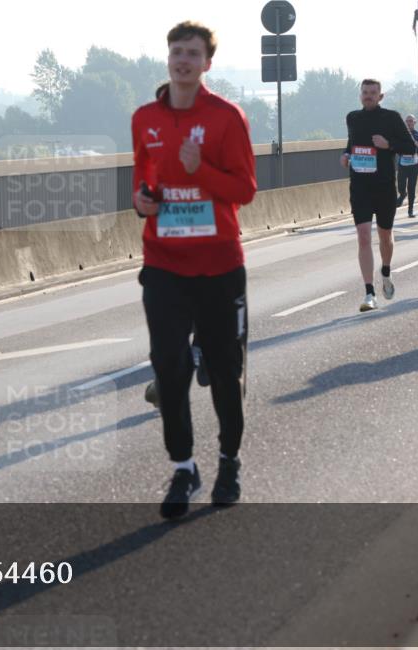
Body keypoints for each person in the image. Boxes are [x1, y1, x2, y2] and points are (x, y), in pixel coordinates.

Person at [132, 20, 255, 518]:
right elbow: (142, 182)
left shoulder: (226, 117)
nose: (183, 60)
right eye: (176, 52)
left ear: (207, 63)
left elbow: (244, 190)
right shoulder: (145, 118)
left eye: (193, 53)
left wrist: (197, 169)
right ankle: (183, 467)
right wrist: (142, 201)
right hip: (164, 263)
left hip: (220, 265)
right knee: (170, 365)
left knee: (225, 372)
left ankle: (229, 460)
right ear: (168, 59)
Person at [340, 79, 416, 312]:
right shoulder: (353, 117)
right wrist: (345, 155)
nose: (368, 96)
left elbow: (411, 147)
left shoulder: (391, 117)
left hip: (384, 186)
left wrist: (388, 144)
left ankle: (385, 270)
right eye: (365, 93)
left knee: (385, 236)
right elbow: (352, 143)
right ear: (360, 95)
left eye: (373, 93)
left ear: (380, 96)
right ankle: (369, 293)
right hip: (360, 186)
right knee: (363, 237)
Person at [395, 114, 418, 218]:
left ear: (415, 122)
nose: (409, 123)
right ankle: (402, 194)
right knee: (401, 184)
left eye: (411, 121)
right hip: (403, 163)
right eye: (407, 121)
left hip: (414, 164)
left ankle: (410, 210)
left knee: (411, 187)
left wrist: (417, 148)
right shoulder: (400, 134)